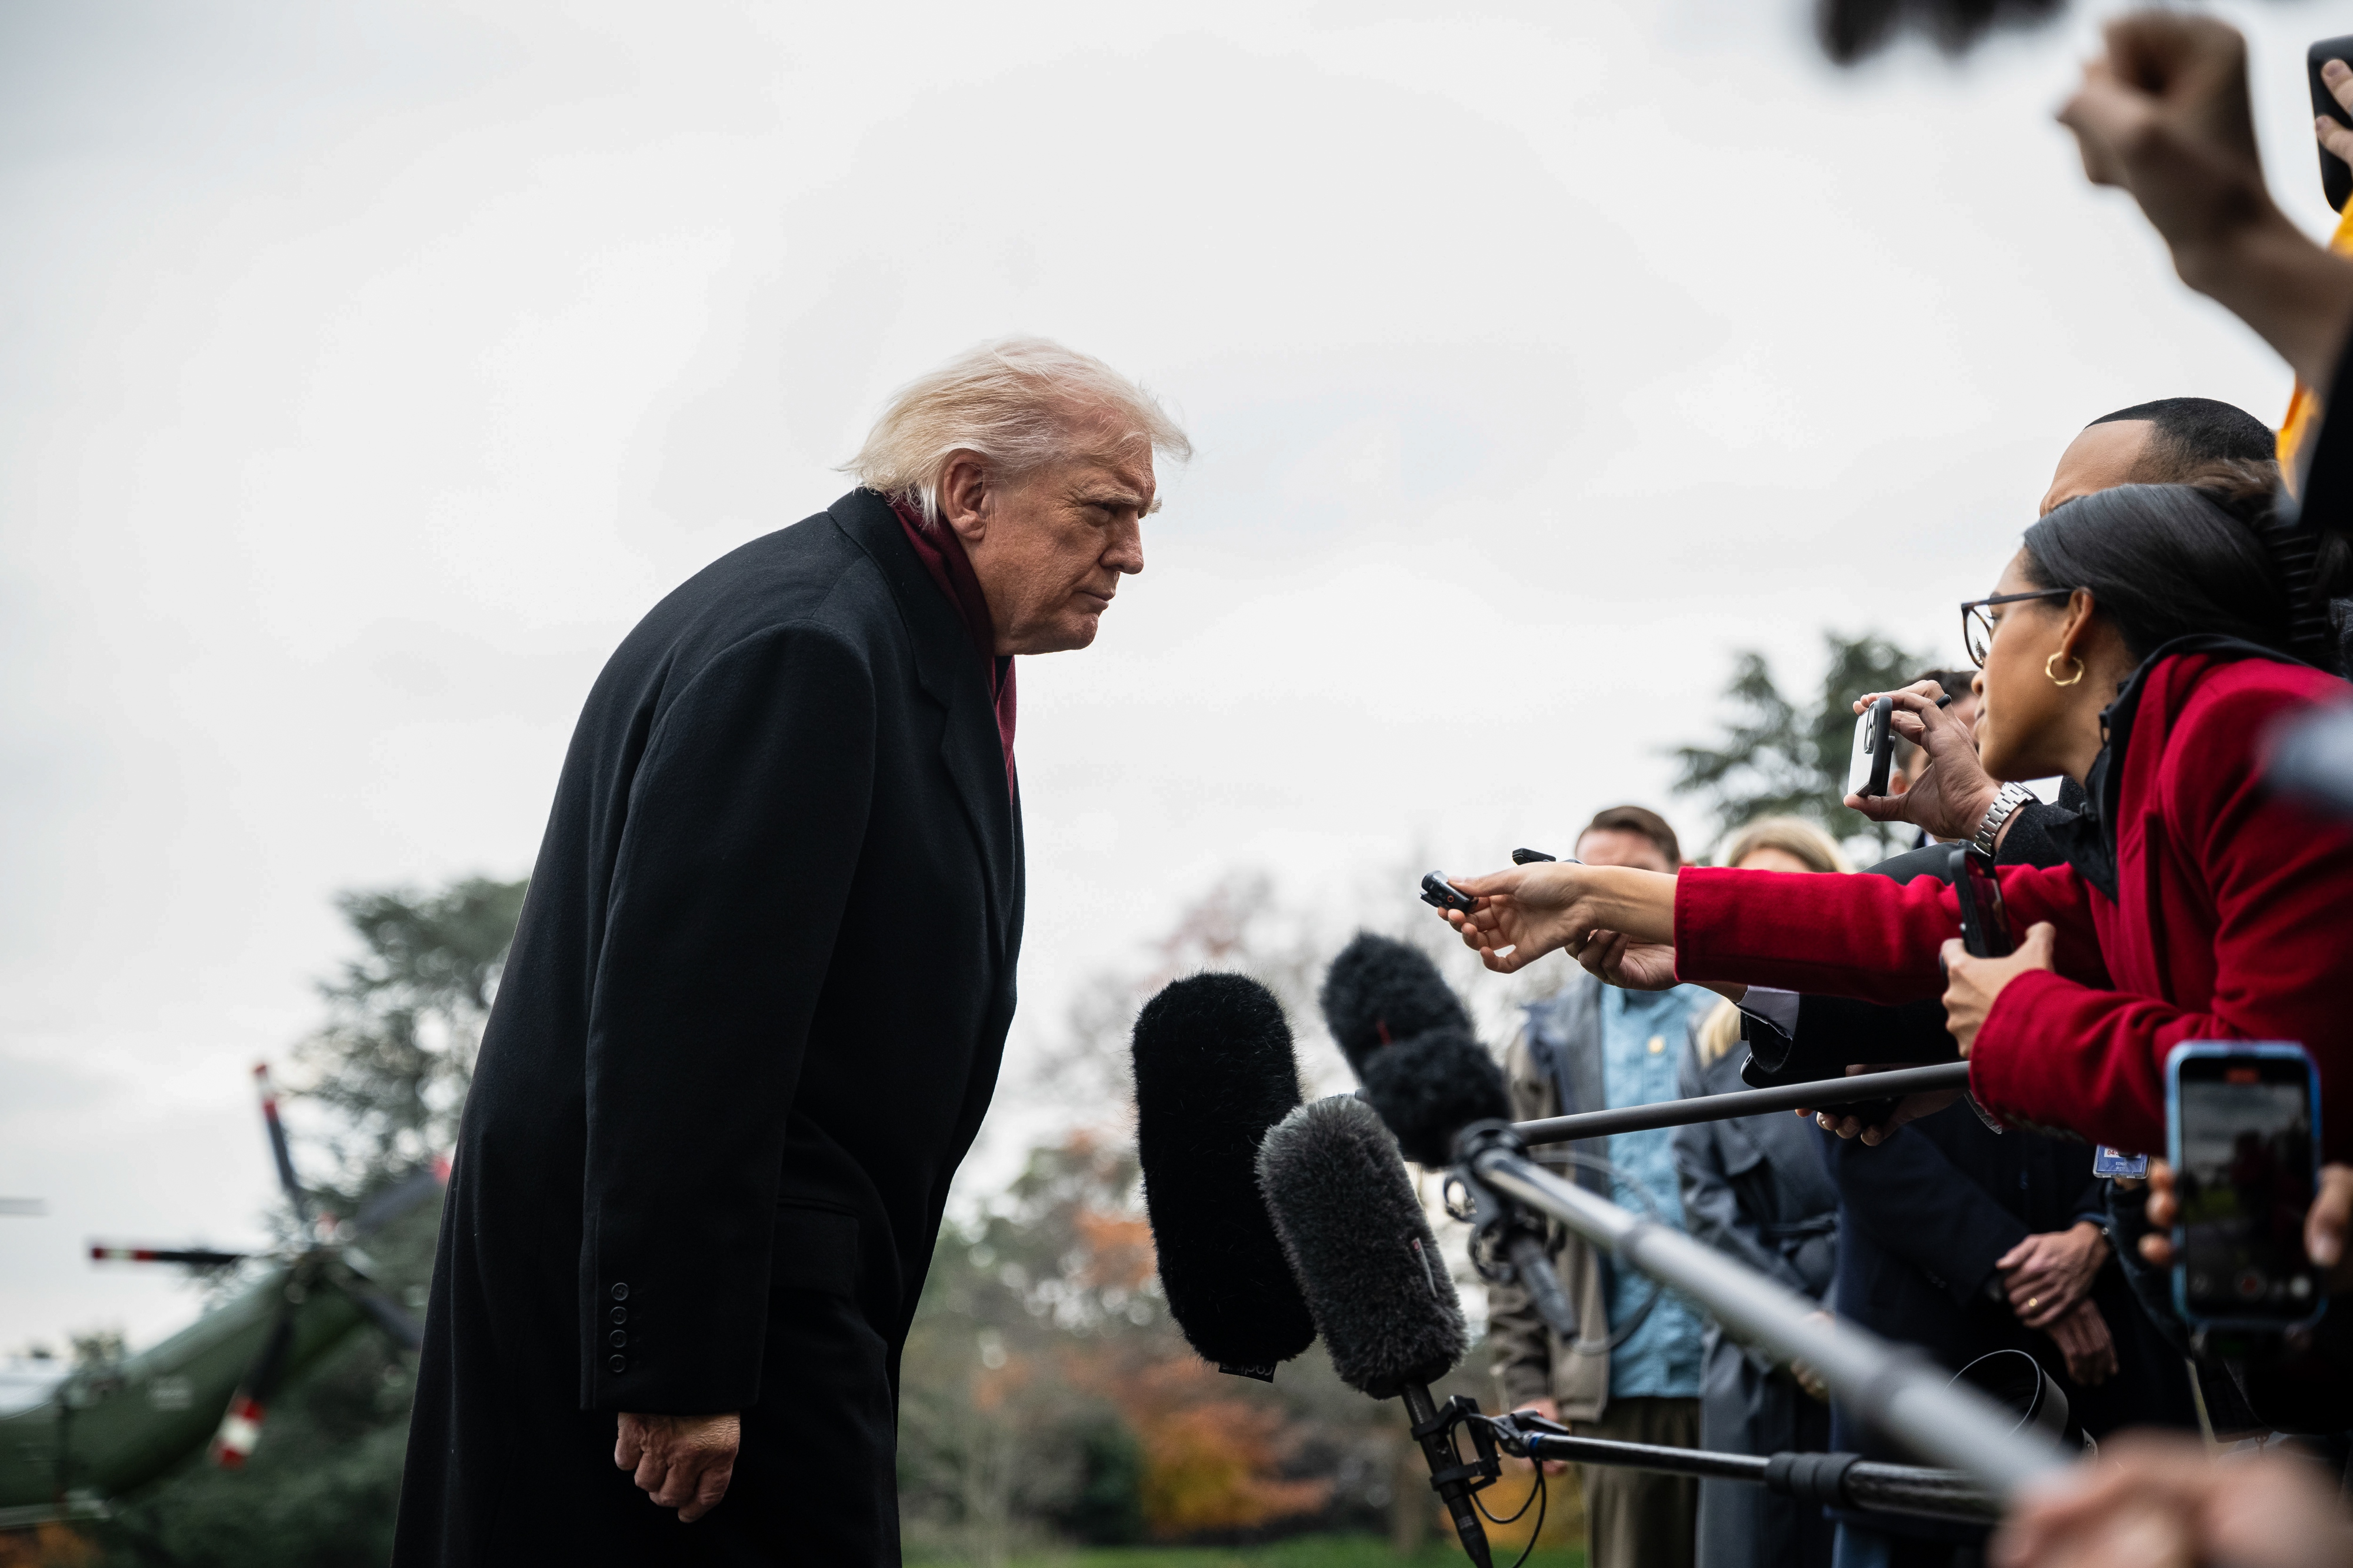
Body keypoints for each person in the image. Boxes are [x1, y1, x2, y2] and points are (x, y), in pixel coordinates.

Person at [391, 339, 1190, 1567]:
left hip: (756, 1301)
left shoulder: (879, 631)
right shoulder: (810, 647)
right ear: (968, 491)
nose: (1132, 554)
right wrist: (674, 1360)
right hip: (719, 1331)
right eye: (1104, 511)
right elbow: (684, 1028)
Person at [1437, 476, 2353, 1168]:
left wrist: (2024, 1021)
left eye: (1992, 623)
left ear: (2076, 621)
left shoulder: (2241, 731)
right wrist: (1599, 892)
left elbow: (2275, 1099)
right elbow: (1909, 925)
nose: (1981, 673)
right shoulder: (2162, 770)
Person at [1487, 805, 1718, 1568]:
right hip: (1616, 1384)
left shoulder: (1739, 1010)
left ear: (1674, 885)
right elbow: (1512, 1223)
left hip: (1755, 1366)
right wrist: (1528, 1379)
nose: (1612, 900)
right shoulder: (1545, 1042)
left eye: (1634, 879)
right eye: (1594, 880)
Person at [1672, 818, 1845, 1568]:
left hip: (1870, 1318)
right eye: (1748, 893)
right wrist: (1794, 1333)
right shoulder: (1705, 1051)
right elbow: (1706, 1212)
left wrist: (1841, 1318)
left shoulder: (1878, 1025)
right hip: (1757, 1346)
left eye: (1789, 890)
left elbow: (1904, 1177)